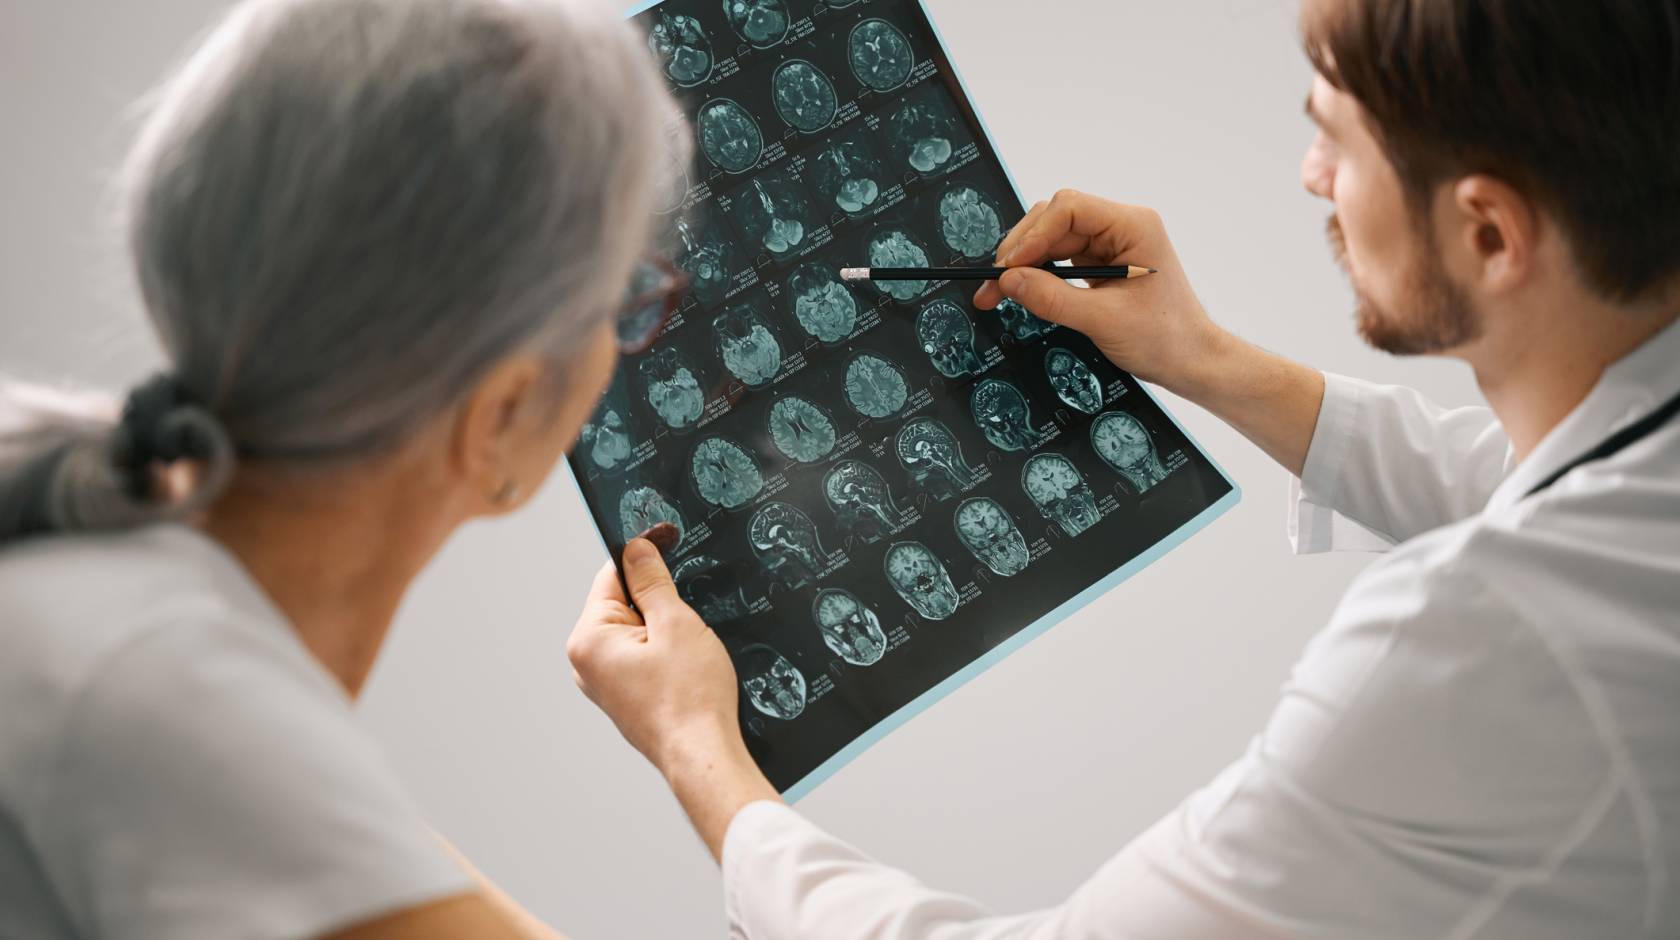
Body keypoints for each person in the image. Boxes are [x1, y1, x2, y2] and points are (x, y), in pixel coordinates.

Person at [567, 0, 1680, 936]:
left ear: (1488, 234)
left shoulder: (1472, 642)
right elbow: (1534, 495)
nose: (1310, 175)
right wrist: (1202, 358)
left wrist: (698, 753)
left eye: (1335, 139)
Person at [0, 0, 691, 937]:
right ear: (500, 415)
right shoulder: (176, 715)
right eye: (631, 301)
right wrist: (697, 744)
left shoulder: (118, 604)